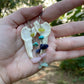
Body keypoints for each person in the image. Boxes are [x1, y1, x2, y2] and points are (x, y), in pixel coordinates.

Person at [0, 0, 84, 84]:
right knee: (32, 46)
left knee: (40, 44)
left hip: (39, 36)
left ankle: (40, 58)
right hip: (29, 38)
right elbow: (33, 33)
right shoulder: (27, 32)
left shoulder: (42, 31)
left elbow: (40, 32)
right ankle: (38, 58)